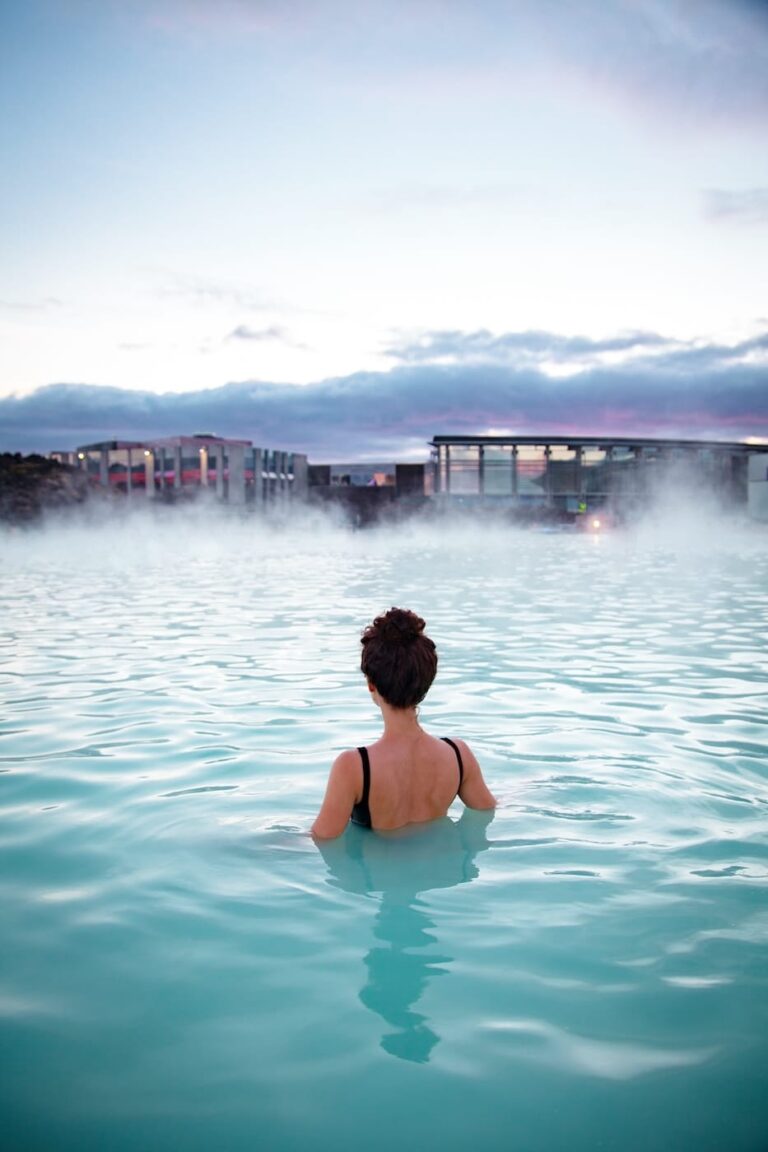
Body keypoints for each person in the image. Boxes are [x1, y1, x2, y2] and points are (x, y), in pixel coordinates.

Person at [311, 607, 496, 839]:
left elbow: (322, 839)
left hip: (377, 862)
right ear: (427, 681)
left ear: (371, 685)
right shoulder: (458, 755)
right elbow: (487, 809)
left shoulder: (353, 768)